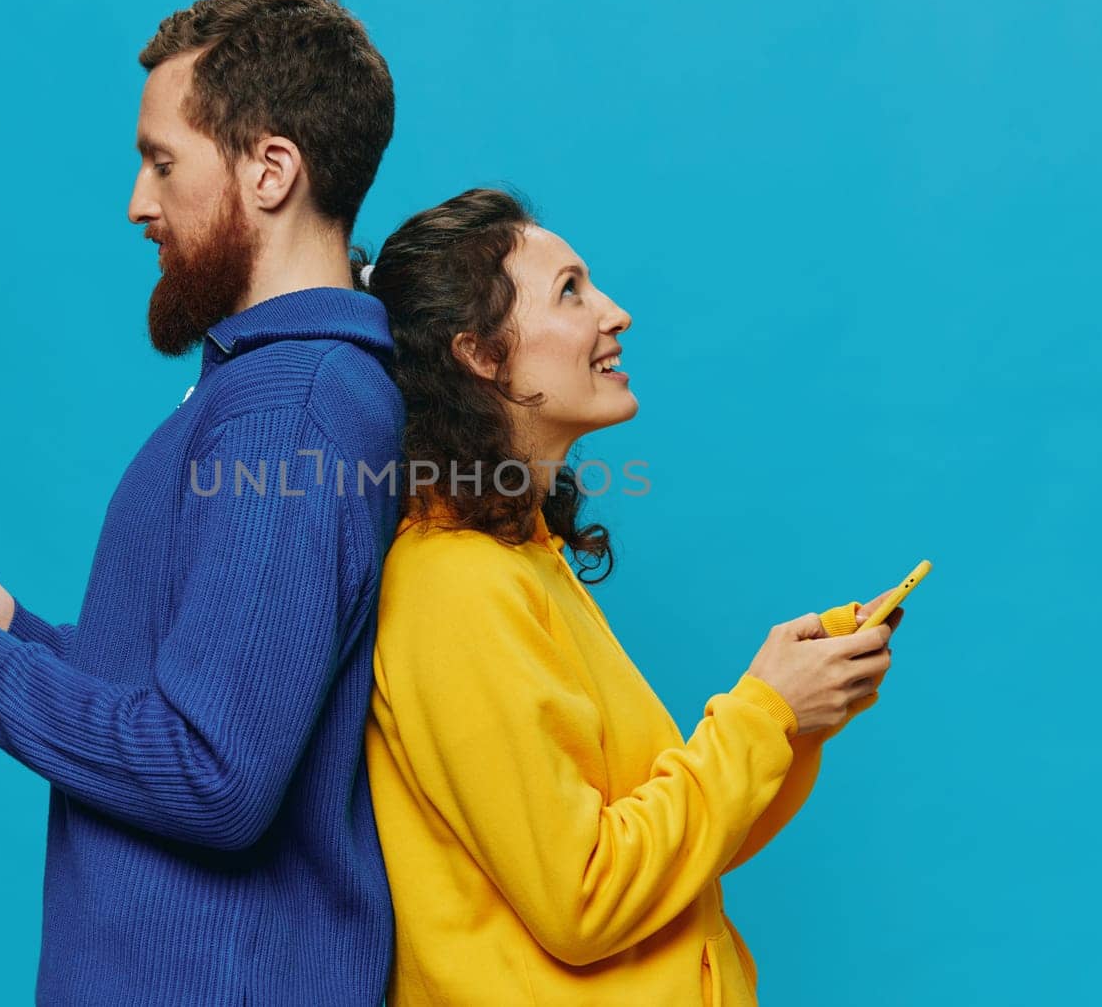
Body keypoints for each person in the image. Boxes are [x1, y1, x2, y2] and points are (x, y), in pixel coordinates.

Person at [0, 0, 402, 1005]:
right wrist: (10, 628)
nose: (137, 202)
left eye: (162, 160)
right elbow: (198, 700)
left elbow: (216, 774)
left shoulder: (294, 407)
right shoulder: (266, 389)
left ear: (271, 169)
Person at [361, 188, 904, 1005]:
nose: (615, 314)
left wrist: (793, 715)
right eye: (570, 290)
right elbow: (585, 894)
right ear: (478, 353)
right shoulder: (451, 582)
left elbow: (670, 849)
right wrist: (761, 712)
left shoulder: (523, 560)